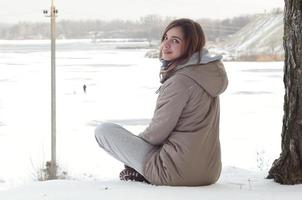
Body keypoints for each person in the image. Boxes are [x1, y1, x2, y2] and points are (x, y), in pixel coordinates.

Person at [95, 18, 228, 186]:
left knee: (104, 130)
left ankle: (142, 171)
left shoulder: (180, 81)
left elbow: (157, 133)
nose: (166, 45)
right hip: (210, 172)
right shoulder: (206, 74)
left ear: (190, 45)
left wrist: (131, 153)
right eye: (165, 38)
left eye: (175, 41)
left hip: (174, 172)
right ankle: (141, 169)